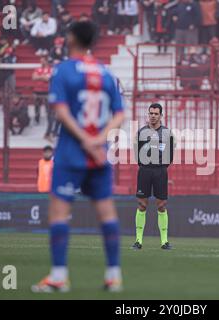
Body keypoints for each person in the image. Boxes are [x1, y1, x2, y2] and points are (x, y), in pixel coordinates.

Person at [31, 21, 126, 293]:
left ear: (71, 38)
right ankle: (114, 275)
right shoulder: (106, 73)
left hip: (72, 152)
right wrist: (99, 139)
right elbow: (120, 114)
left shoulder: (63, 70)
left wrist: (84, 139)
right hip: (99, 153)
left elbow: (60, 111)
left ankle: (59, 277)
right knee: (106, 212)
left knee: (60, 212)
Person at [132, 103, 174, 250]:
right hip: (144, 170)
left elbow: (170, 155)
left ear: (161, 115)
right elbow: (136, 153)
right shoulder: (141, 133)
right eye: (151, 113)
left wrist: (161, 166)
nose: (153, 116)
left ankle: (164, 241)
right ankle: (138, 241)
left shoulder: (167, 134)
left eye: (156, 113)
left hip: (160, 171)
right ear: (148, 114)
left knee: (161, 206)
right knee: (142, 205)